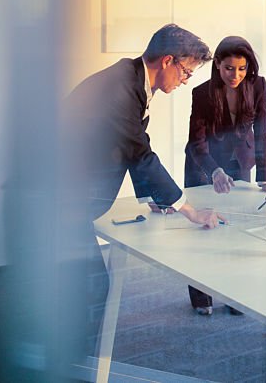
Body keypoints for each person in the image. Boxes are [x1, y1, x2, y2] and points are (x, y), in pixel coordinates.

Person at [67, 23, 223, 351]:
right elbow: (140, 153)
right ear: (167, 61)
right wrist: (190, 211)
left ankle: (74, 358)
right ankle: (75, 363)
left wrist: (154, 195)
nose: (185, 80)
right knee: (90, 287)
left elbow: (134, 142)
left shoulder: (130, 80)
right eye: (186, 72)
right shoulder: (120, 89)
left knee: (86, 287)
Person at [183, 35, 266, 315]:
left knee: (237, 230)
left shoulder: (258, 86)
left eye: (242, 68)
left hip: (239, 161)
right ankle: (201, 296)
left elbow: (262, 131)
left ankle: (235, 295)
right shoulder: (202, 93)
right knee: (203, 233)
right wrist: (214, 171)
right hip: (203, 164)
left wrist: (264, 175)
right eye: (229, 68)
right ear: (218, 65)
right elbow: (196, 142)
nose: (236, 75)